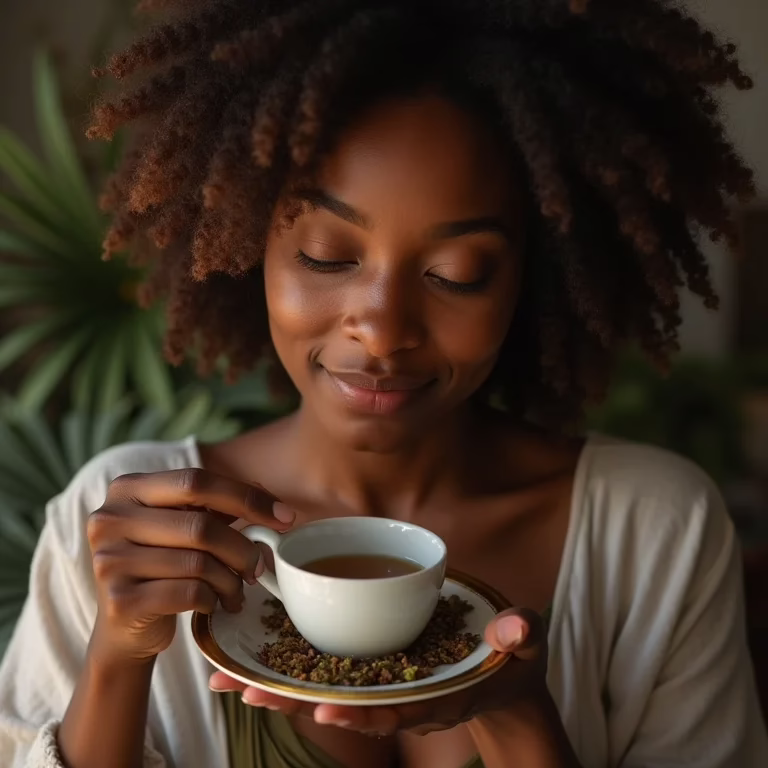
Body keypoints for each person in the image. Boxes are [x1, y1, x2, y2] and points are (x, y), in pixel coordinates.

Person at [1, 0, 766, 766]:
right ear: (246, 243)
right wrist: (117, 660)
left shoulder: (657, 532)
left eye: (455, 274)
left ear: (531, 279)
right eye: (330, 256)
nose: (383, 326)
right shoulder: (120, 525)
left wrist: (517, 717)